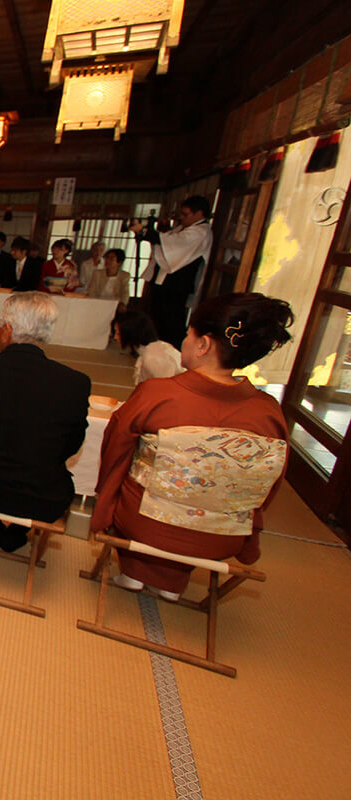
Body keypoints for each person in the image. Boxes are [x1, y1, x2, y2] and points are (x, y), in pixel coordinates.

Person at [91, 293, 293, 599]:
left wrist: (104, 503)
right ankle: (169, 583)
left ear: (203, 345)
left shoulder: (157, 394)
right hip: (221, 537)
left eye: (188, 334)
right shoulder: (269, 413)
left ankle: (135, 573)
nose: (184, 340)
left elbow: (114, 453)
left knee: (124, 476)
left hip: (147, 524)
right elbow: (265, 485)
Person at [0, 292, 90, 552]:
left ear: (8, 329)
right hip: (41, 496)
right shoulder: (74, 383)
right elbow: (72, 445)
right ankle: (17, 531)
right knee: (56, 478)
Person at [134, 195, 213, 349]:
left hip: (177, 284)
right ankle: (156, 348)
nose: (181, 217)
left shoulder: (201, 232)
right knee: (157, 317)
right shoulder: (184, 228)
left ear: (198, 213)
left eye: (185, 214)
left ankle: (172, 351)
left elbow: (172, 244)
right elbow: (166, 240)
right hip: (166, 281)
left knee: (171, 320)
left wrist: (146, 232)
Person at [113, 310, 184, 384]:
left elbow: (164, 387)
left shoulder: (153, 358)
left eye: (118, 333)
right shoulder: (153, 349)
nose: (115, 337)